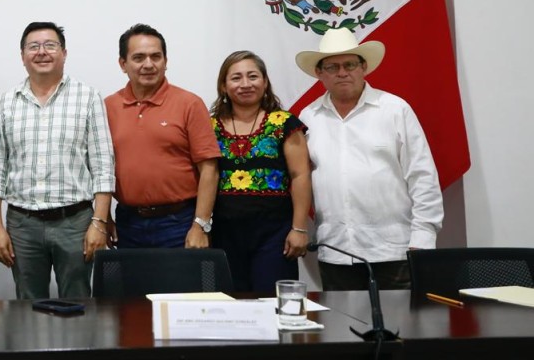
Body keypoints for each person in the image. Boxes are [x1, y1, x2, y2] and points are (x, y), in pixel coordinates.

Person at [295, 27, 443, 290]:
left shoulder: (395, 110)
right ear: (319, 73)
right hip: (336, 250)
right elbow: (300, 178)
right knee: (343, 329)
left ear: (363, 67)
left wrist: (423, 237)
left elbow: (422, 175)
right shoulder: (308, 118)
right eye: (332, 66)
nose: (342, 72)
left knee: (402, 329)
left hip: (394, 249)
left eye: (350, 64)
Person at [0, 22, 115, 299]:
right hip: (22, 224)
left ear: (64, 53)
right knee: (28, 305)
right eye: (34, 46)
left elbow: (103, 165)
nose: (42, 52)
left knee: (78, 303)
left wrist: (99, 223)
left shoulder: (88, 98)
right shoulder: (6, 102)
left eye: (50, 45)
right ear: (22, 56)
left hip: (76, 221)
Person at [104, 24, 221, 249]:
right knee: (132, 286)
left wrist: (200, 224)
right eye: (138, 57)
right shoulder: (108, 107)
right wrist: (104, 218)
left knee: (181, 286)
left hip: (179, 223)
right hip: (127, 223)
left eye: (155, 57)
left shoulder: (189, 103)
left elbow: (209, 169)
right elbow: (100, 169)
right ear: (123, 64)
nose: (148, 64)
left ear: (165, 61)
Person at [209, 50, 313, 291]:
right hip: (223, 234)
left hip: (274, 235)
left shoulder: (284, 123)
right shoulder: (209, 126)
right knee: (228, 306)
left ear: (265, 82)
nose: (245, 84)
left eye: (253, 76)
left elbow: (300, 175)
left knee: (272, 306)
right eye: (236, 78)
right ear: (223, 86)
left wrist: (299, 228)